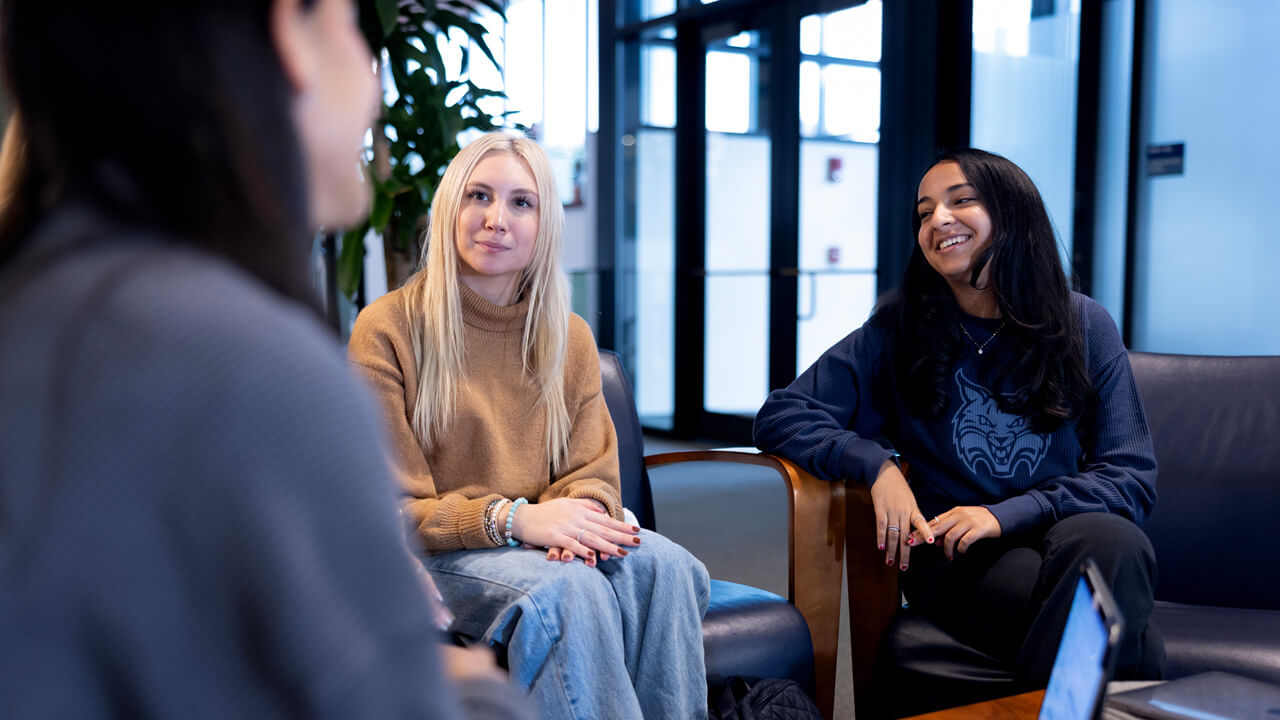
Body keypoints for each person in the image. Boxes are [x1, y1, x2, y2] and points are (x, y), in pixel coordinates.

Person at [0, 1, 530, 718]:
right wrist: (472, 689)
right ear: (291, 36)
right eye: (353, 32)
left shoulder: (43, 308)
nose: (374, 91)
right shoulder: (253, 371)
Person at [754, 149, 1164, 698]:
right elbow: (782, 413)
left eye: (961, 200)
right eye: (924, 212)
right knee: (1120, 625)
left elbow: (1129, 477)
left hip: (1061, 532)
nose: (937, 220)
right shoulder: (899, 330)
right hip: (952, 551)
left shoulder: (1084, 324)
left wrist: (1006, 514)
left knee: (1115, 540)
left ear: (1012, 214)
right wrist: (878, 465)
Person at [348, 130, 711, 720]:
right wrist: (516, 519)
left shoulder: (568, 336)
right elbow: (389, 508)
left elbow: (592, 473)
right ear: (450, 207)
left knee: (667, 567)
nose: (497, 219)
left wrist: (578, 521)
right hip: (437, 552)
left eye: (522, 202)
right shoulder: (386, 329)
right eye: (479, 196)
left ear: (545, 225)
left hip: (542, 539)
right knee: (568, 592)